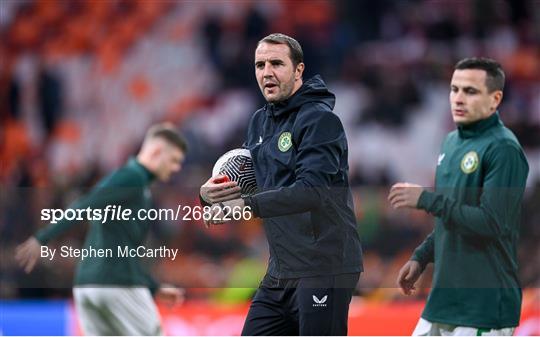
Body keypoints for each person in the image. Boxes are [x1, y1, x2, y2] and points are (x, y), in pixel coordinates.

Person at [200, 33, 363, 336]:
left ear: (298, 70)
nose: (267, 72)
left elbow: (312, 191)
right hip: (280, 269)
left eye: (277, 63)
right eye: (260, 65)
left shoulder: (320, 122)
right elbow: (246, 180)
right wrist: (209, 197)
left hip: (323, 266)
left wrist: (244, 207)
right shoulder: (259, 122)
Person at [388, 57, 529, 336]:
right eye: (454, 89)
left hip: (484, 308)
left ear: (495, 99)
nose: (458, 98)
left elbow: (492, 223)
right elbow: (453, 216)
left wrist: (426, 200)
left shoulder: (504, 149)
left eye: (471, 91)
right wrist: (422, 256)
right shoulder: (451, 143)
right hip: (444, 300)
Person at [16, 123, 187, 335]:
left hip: (89, 285)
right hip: (116, 285)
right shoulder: (132, 177)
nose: (176, 168)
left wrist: (153, 287)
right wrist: (42, 238)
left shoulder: (137, 185)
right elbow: (85, 204)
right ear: (157, 151)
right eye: (174, 161)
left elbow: (124, 250)